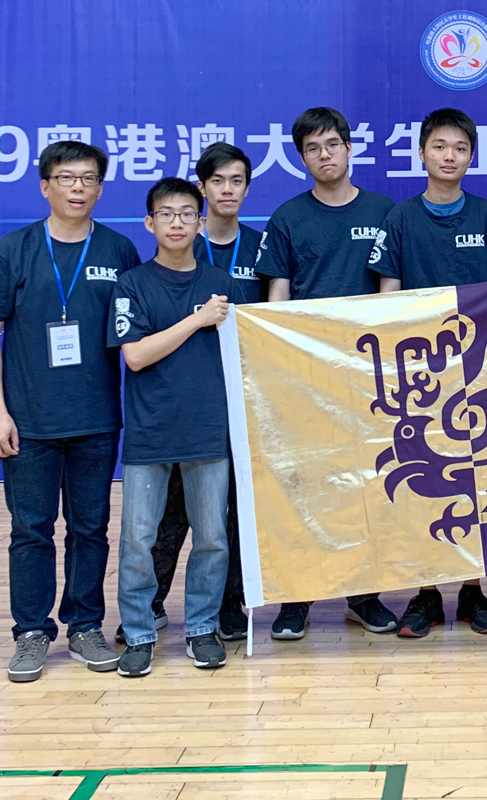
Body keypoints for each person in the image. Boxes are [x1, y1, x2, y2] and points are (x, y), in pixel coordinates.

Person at [0, 141, 140, 682]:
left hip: (97, 420)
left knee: (91, 528)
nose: (77, 188)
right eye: (66, 178)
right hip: (30, 422)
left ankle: (86, 626)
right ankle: (30, 633)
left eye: (88, 179)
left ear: (99, 188)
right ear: (45, 185)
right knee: (31, 530)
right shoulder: (14, 249)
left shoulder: (119, 250)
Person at [254, 107, 398, 640]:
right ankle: (298, 597)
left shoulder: (385, 211)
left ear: (349, 147)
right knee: (303, 488)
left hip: (364, 374)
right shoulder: (289, 218)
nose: (325, 155)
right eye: (313, 149)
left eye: (332, 144)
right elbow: (277, 299)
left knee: (366, 485)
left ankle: (364, 594)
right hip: (304, 376)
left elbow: (392, 289)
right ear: (301, 158)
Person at [368, 108, 487, 638]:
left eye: (460, 149)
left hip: (477, 375)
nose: (450, 156)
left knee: (481, 481)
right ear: (422, 153)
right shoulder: (401, 219)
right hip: (418, 377)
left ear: (472, 157)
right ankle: (425, 594)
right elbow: (386, 297)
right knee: (421, 482)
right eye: (440, 147)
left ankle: (474, 591)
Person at [130, 142, 263, 647]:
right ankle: (151, 605)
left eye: (237, 181)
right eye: (218, 182)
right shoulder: (172, 252)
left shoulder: (261, 245)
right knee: (168, 515)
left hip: (237, 398)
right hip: (175, 403)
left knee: (226, 515)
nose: (228, 190)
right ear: (202, 190)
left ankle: (227, 608)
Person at [108, 177, 238, 677]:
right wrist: (197, 319)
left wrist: (210, 313)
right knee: (139, 540)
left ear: (201, 222)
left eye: (188, 213)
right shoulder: (132, 284)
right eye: (167, 214)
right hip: (150, 434)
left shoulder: (222, 285)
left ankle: (202, 628)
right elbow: (136, 356)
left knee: (212, 539)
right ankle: (139, 633)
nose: (178, 222)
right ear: (150, 223)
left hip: (209, 432)